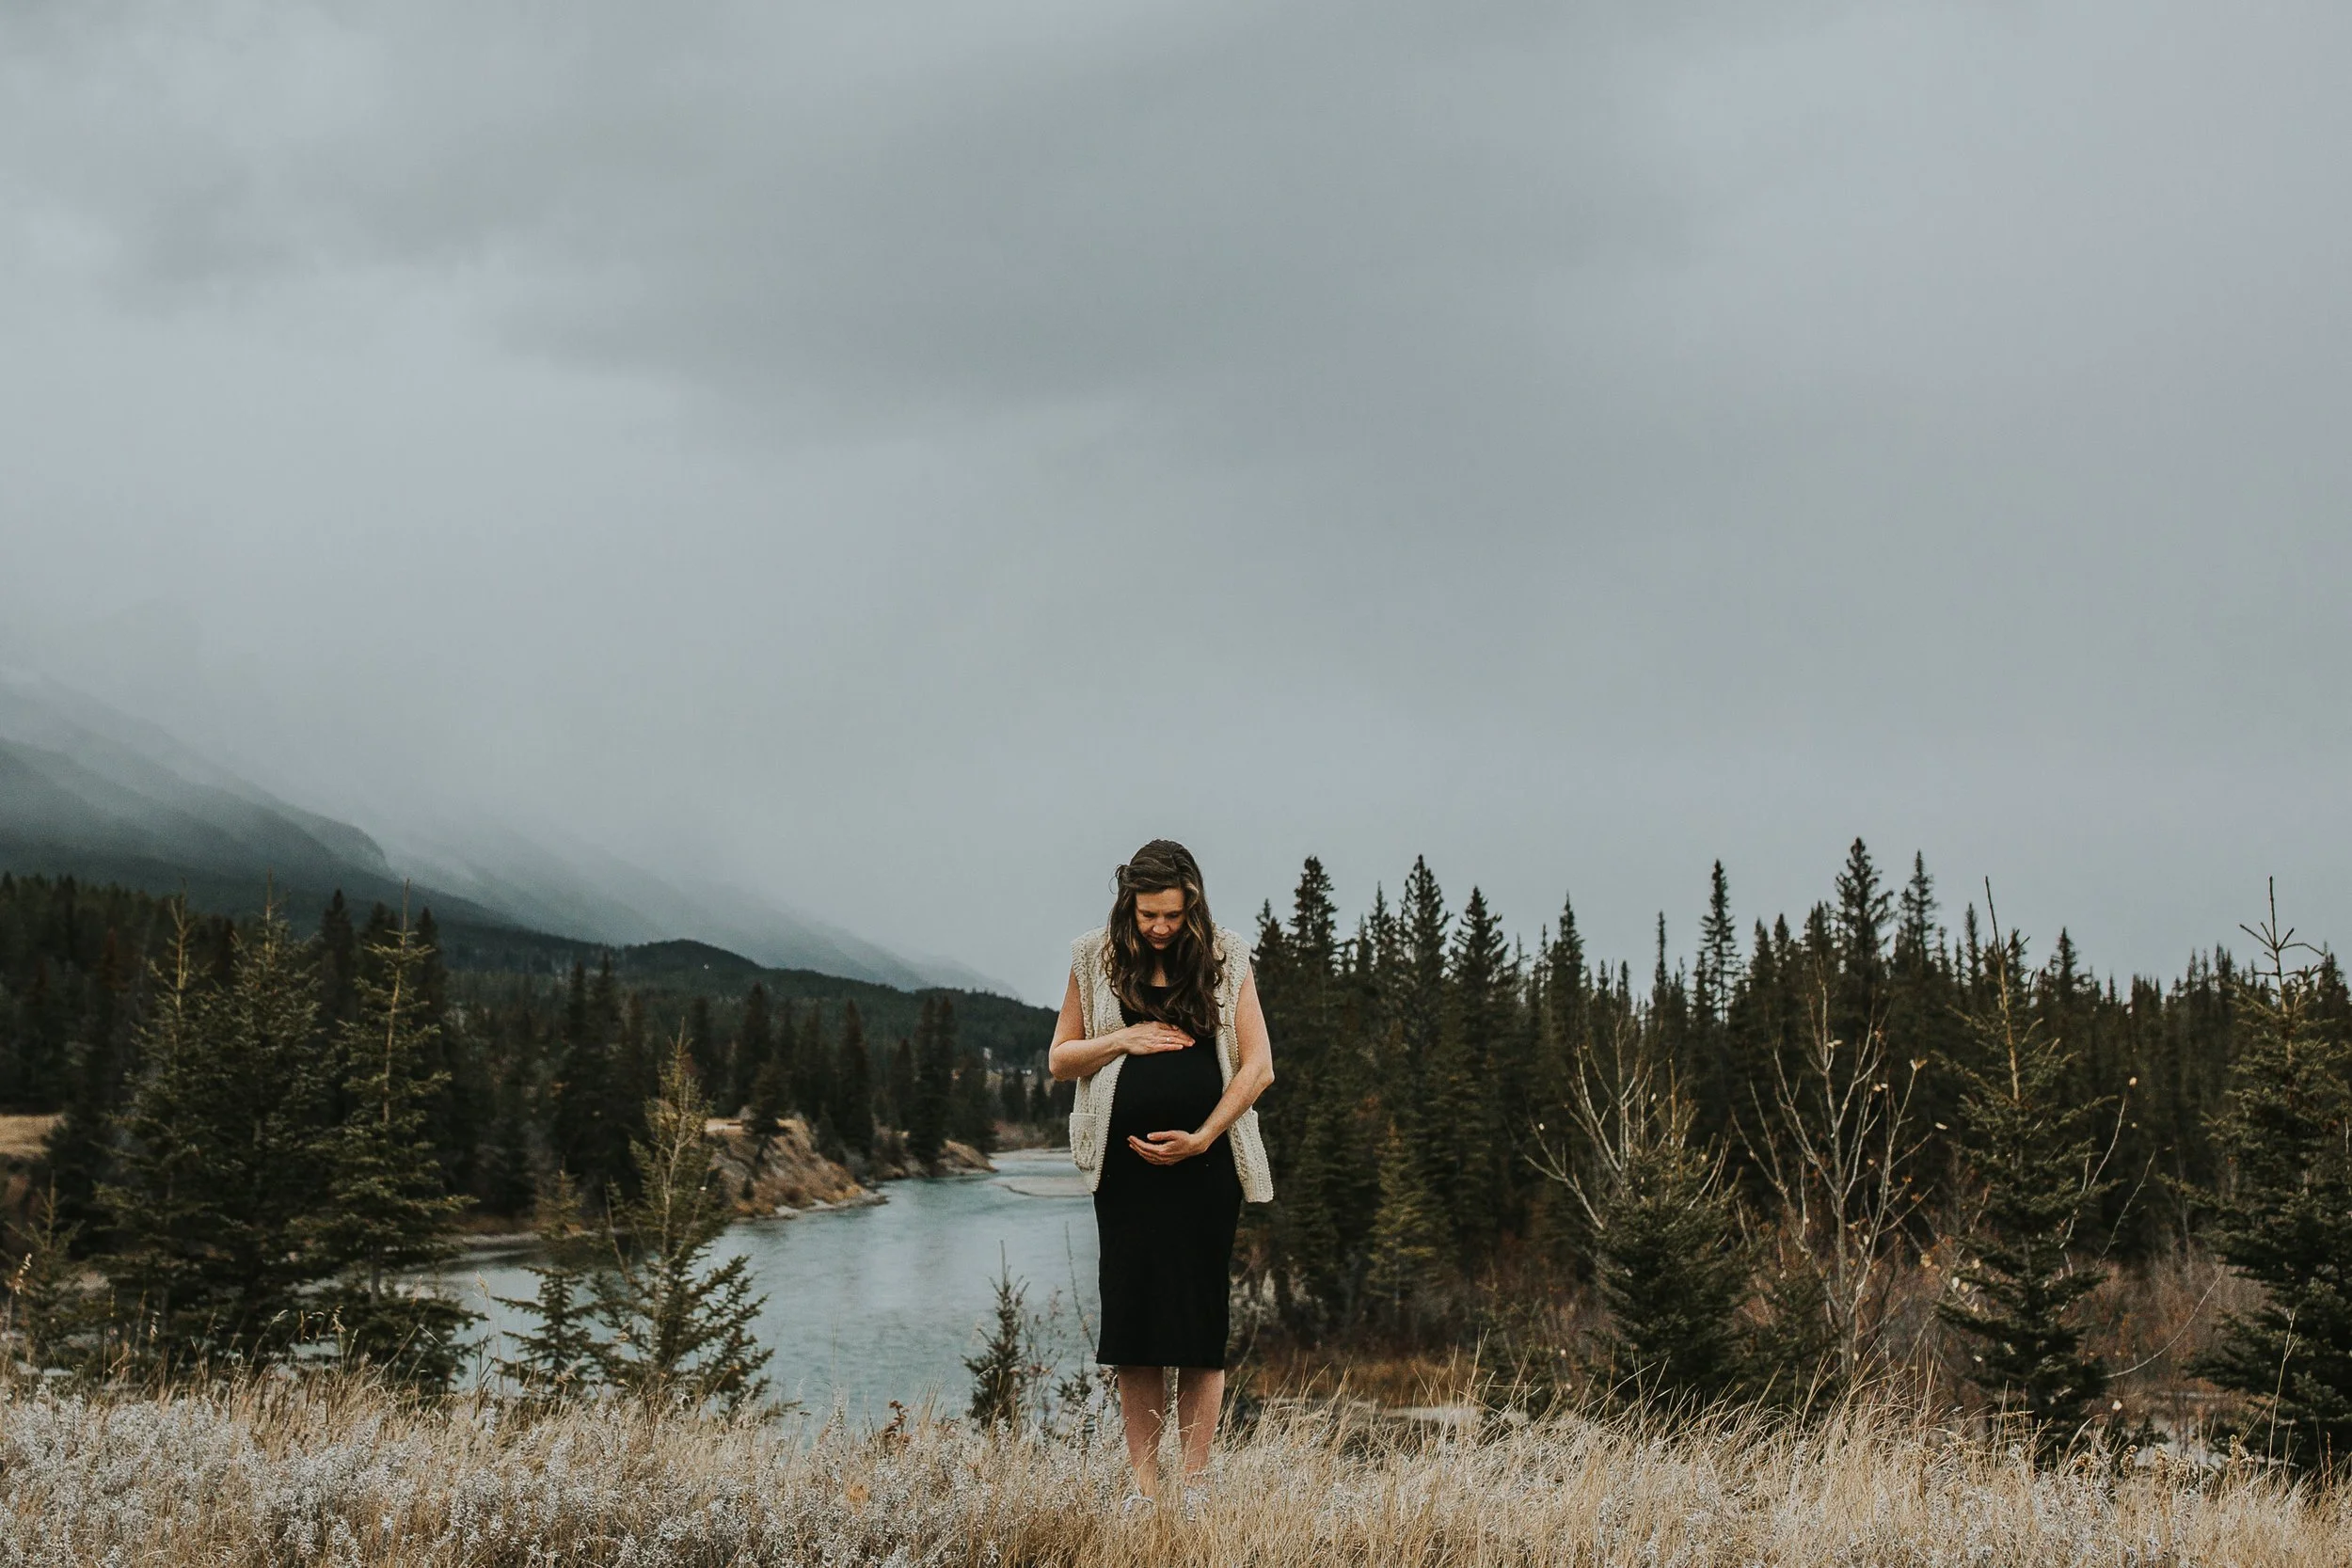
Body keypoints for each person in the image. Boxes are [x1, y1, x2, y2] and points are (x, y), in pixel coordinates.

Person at [1048, 839, 1276, 1509]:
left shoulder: (1227, 956)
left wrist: (1204, 1136)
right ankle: (1146, 1490)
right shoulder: (1094, 956)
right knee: (1135, 1326)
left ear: (1192, 906)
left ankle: (1196, 1487)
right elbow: (1062, 1058)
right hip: (1125, 1176)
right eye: (1149, 913)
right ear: (1129, 903)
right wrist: (1125, 1036)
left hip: (1206, 1173)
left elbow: (1259, 1066)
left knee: (1198, 1325)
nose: (1160, 927)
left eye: (1173, 914)